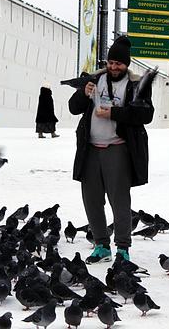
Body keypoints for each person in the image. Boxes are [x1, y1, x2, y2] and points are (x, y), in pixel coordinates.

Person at [68, 36, 154, 264]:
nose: (114, 67)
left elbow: (146, 114)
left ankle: (123, 247)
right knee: (92, 199)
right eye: (111, 62)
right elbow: (73, 108)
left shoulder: (136, 84)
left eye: (119, 63)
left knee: (119, 201)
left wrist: (114, 113)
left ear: (126, 64)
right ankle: (101, 244)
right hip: (90, 149)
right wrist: (82, 94)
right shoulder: (95, 79)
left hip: (118, 148)